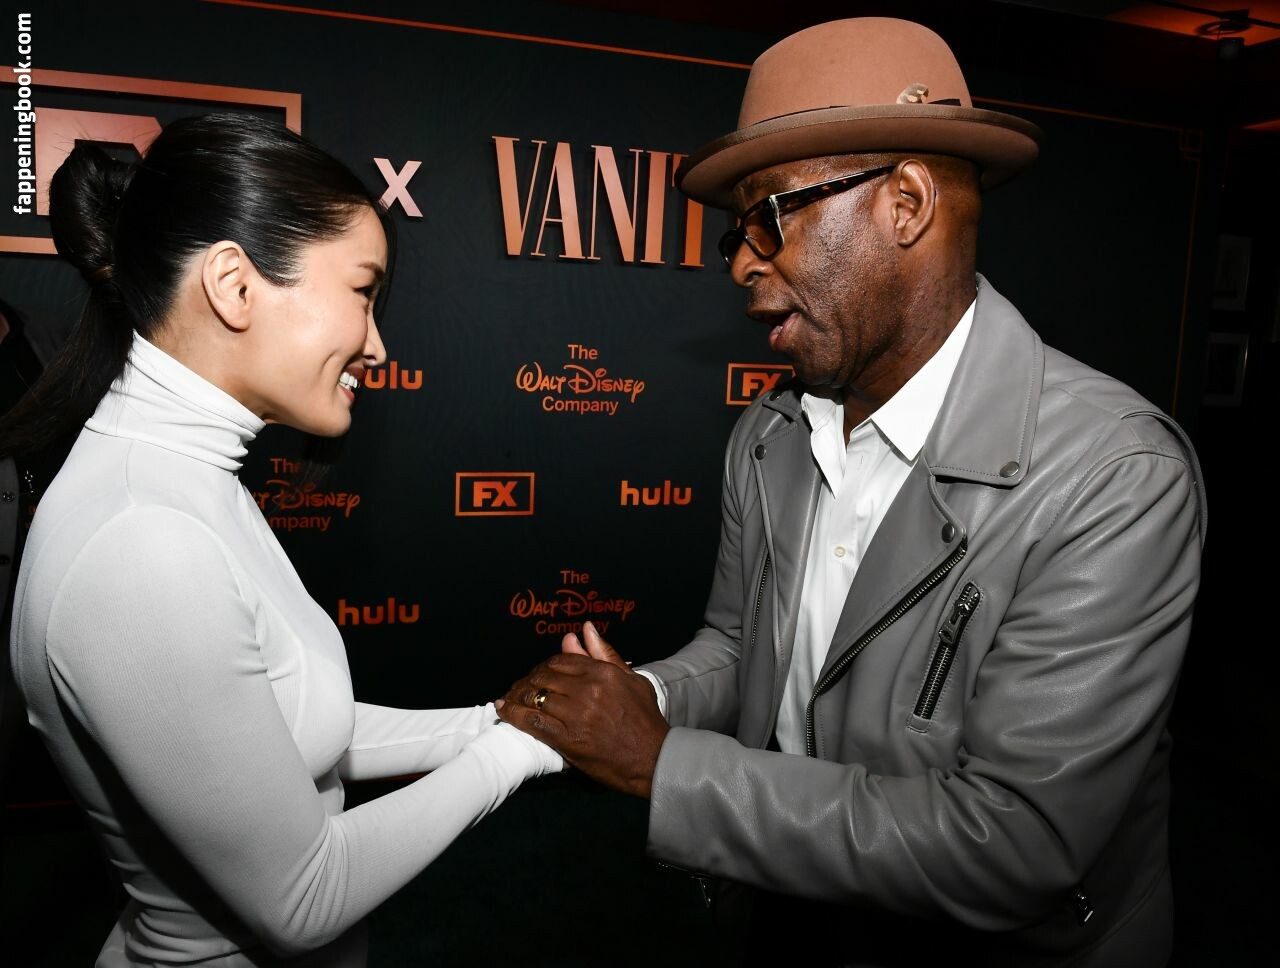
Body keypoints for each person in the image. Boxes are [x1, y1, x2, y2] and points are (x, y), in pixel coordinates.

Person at [497, 18, 1205, 967]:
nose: (741, 262)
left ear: (905, 203)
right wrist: (645, 696)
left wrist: (661, 765)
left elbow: (1014, 844)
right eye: (737, 233)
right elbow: (743, 649)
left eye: (768, 217)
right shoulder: (768, 435)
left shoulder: (1115, 477)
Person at [4, 113, 560, 967]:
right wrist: (518, 753)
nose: (377, 346)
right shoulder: (143, 540)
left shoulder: (183, 479)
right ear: (234, 285)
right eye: (363, 293)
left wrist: (491, 723)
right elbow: (303, 899)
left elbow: (289, 727)